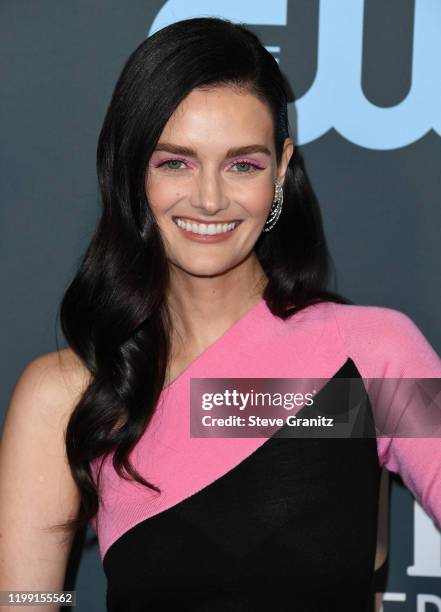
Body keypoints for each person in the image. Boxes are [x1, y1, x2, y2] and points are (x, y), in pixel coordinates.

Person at [0, 16, 440, 612]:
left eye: (243, 164)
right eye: (175, 162)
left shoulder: (374, 355)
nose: (209, 198)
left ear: (281, 170)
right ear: (133, 171)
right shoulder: (69, 394)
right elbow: (25, 600)